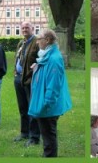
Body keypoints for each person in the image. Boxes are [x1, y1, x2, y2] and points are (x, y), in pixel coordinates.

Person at [28, 29, 72, 157]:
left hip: (48, 107)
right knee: (46, 133)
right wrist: (37, 67)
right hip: (46, 105)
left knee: (48, 134)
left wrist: (46, 105)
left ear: (47, 40)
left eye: (39, 39)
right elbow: (46, 73)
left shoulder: (54, 58)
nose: (37, 42)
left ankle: (49, 156)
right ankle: (48, 154)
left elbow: (54, 85)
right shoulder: (48, 55)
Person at [13, 21, 40, 145]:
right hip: (18, 79)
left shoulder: (37, 43)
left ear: (32, 29)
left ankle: (34, 137)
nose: (24, 30)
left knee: (32, 108)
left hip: (30, 79)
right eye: (23, 28)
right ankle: (24, 133)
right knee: (22, 107)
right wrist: (15, 70)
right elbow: (18, 58)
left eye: (27, 27)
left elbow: (42, 60)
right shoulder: (21, 42)